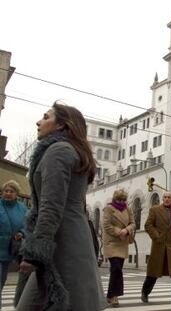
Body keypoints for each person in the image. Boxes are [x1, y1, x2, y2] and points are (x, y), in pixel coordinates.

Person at [15, 101, 106, 311]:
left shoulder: (58, 151)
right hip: (69, 238)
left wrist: (35, 253)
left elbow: (51, 205)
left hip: (63, 243)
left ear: (62, 126)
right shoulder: (67, 150)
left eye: (46, 117)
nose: (39, 122)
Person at [141, 192, 171, 304]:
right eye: (165, 197)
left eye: (169, 197)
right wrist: (156, 236)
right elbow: (148, 225)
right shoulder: (155, 210)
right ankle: (145, 293)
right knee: (153, 272)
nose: (166, 199)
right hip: (159, 245)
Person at [103, 189, 136, 307]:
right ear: (114, 199)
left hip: (123, 243)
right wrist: (119, 232)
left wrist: (126, 230)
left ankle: (111, 295)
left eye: (123, 200)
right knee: (116, 268)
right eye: (119, 200)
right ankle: (114, 296)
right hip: (111, 242)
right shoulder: (108, 209)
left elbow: (133, 223)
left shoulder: (128, 209)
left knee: (117, 270)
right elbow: (106, 225)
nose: (121, 202)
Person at [0, 180, 27, 310]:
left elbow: (27, 225)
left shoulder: (22, 208)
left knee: (2, 281)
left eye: (12, 191)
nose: (8, 193)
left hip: (11, 250)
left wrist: (22, 232)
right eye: (6, 191)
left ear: (17, 194)